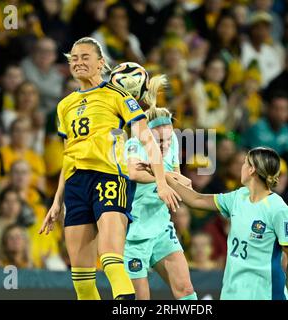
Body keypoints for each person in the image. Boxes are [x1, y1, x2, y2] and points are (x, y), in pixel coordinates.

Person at [39, 37, 180, 300]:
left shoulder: (118, 96)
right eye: (74, 58)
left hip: (110, 179)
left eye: (85, 57)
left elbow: (147, 140)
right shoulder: (64, 106)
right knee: (81, 279)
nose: (78, 62)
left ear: (101, 63)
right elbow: (69, 156)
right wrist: (57, 202)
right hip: (76, 185)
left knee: (111, 259)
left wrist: (161, 182)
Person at [154, 147, 288, 300]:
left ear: (252, 170)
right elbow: (196, 199)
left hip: (265, 293)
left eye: (245, 163)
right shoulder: (238, 197)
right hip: (232, 292)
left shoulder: (279, 211)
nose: (242, 168)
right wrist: (163, 176)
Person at [123, 75, 196, 300]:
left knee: (186, 291)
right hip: (134, 235)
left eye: (167, 140)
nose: (164, 146)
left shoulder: (172, 141)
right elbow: (134, 173)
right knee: (141, 300)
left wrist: (156, 172)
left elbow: (183, 181)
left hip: (162, 228)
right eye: (159, 142)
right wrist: (164, 177)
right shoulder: (133, 144)